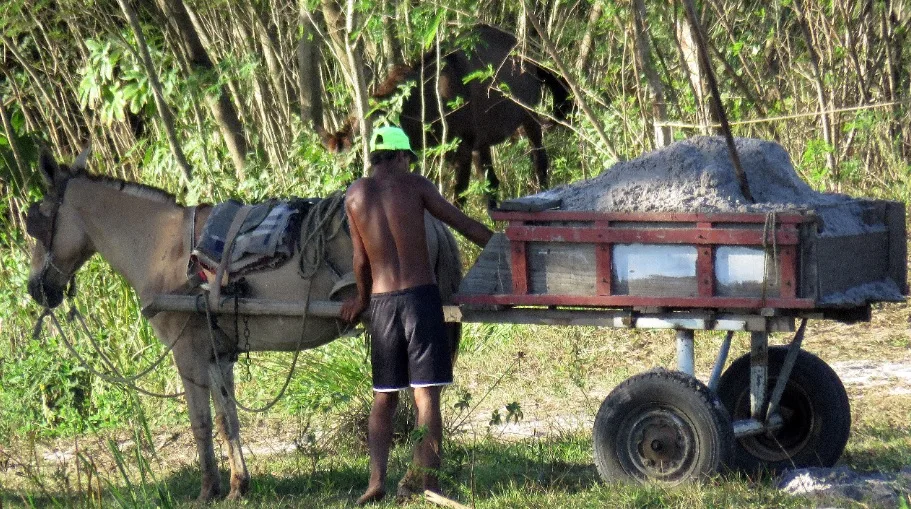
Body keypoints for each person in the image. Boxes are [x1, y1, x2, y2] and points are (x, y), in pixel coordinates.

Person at [341, 126, 493, 505]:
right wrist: (504, 245)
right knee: (426, 398)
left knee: (384, 397)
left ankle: (376, 482)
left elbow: (360, 261)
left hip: (382, 305)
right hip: (420, 300)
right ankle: (429, 483)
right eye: (407, 156)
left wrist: (361, 300)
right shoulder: (415, 186)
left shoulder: (355, 195)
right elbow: (464, 224)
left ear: (375, 157)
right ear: (401, 155)